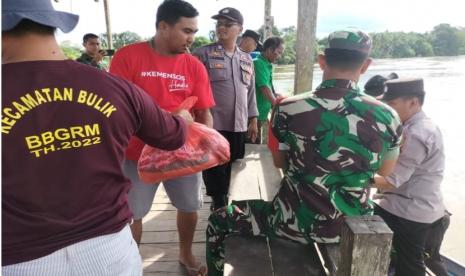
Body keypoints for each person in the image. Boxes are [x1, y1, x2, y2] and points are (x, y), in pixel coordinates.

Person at [2, 0, 192, 275]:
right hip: (110, 251)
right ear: (52, 25)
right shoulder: (113, 87)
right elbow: (173, 136)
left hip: (20, 257)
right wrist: (182, 119)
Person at [204, 28, 403, 276]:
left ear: (321, 60)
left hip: (291, 221)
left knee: (217, 219)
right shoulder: (388, 115)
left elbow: (279, 161)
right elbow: (385, 171)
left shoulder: (288, 107)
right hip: (350, 224)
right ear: (366, 65)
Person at [109, 0, 214, 275]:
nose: (192, 38)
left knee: (189, 207)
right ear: (163, 27)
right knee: (133, 213)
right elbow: (115, 109)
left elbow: (204, 112)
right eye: (186, 30)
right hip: (136, 154)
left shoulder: (194, 65)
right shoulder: (127, 57)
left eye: (194, 31)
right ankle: (133, 262)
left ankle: (185, 253)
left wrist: (207, 146)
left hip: (183, 153)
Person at [372, 78, 447, 276]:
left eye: (391, 104)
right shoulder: (416, 126)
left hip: (410, 211)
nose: (387, 109)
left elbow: (390, 181)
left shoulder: (416, 133)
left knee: (410, 267)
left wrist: (352, 178)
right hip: (422, 206)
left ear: (413, 102)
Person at [193, 7, 258, 210]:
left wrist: (253, 119)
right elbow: (192, 89)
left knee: (235, 165)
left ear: (240, 28)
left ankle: (231, 203)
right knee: (214, 167)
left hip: (238, 124)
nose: (222, 28)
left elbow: (250, 92)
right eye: (219, 24)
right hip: (213, 124)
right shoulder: (202, 54)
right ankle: (218, 205)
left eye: (228, 24)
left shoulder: (247, 59)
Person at [253, 36, 285, 144]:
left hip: (262, 112)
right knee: (253, 143)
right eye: (278, 52)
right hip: (254, 115)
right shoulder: (258, 63)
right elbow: (265, 88)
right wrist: (278, 107)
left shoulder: (267, 64)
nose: (279, 56)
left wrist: (276, 96)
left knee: (257, 141)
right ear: (270, 49)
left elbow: (269, 87)